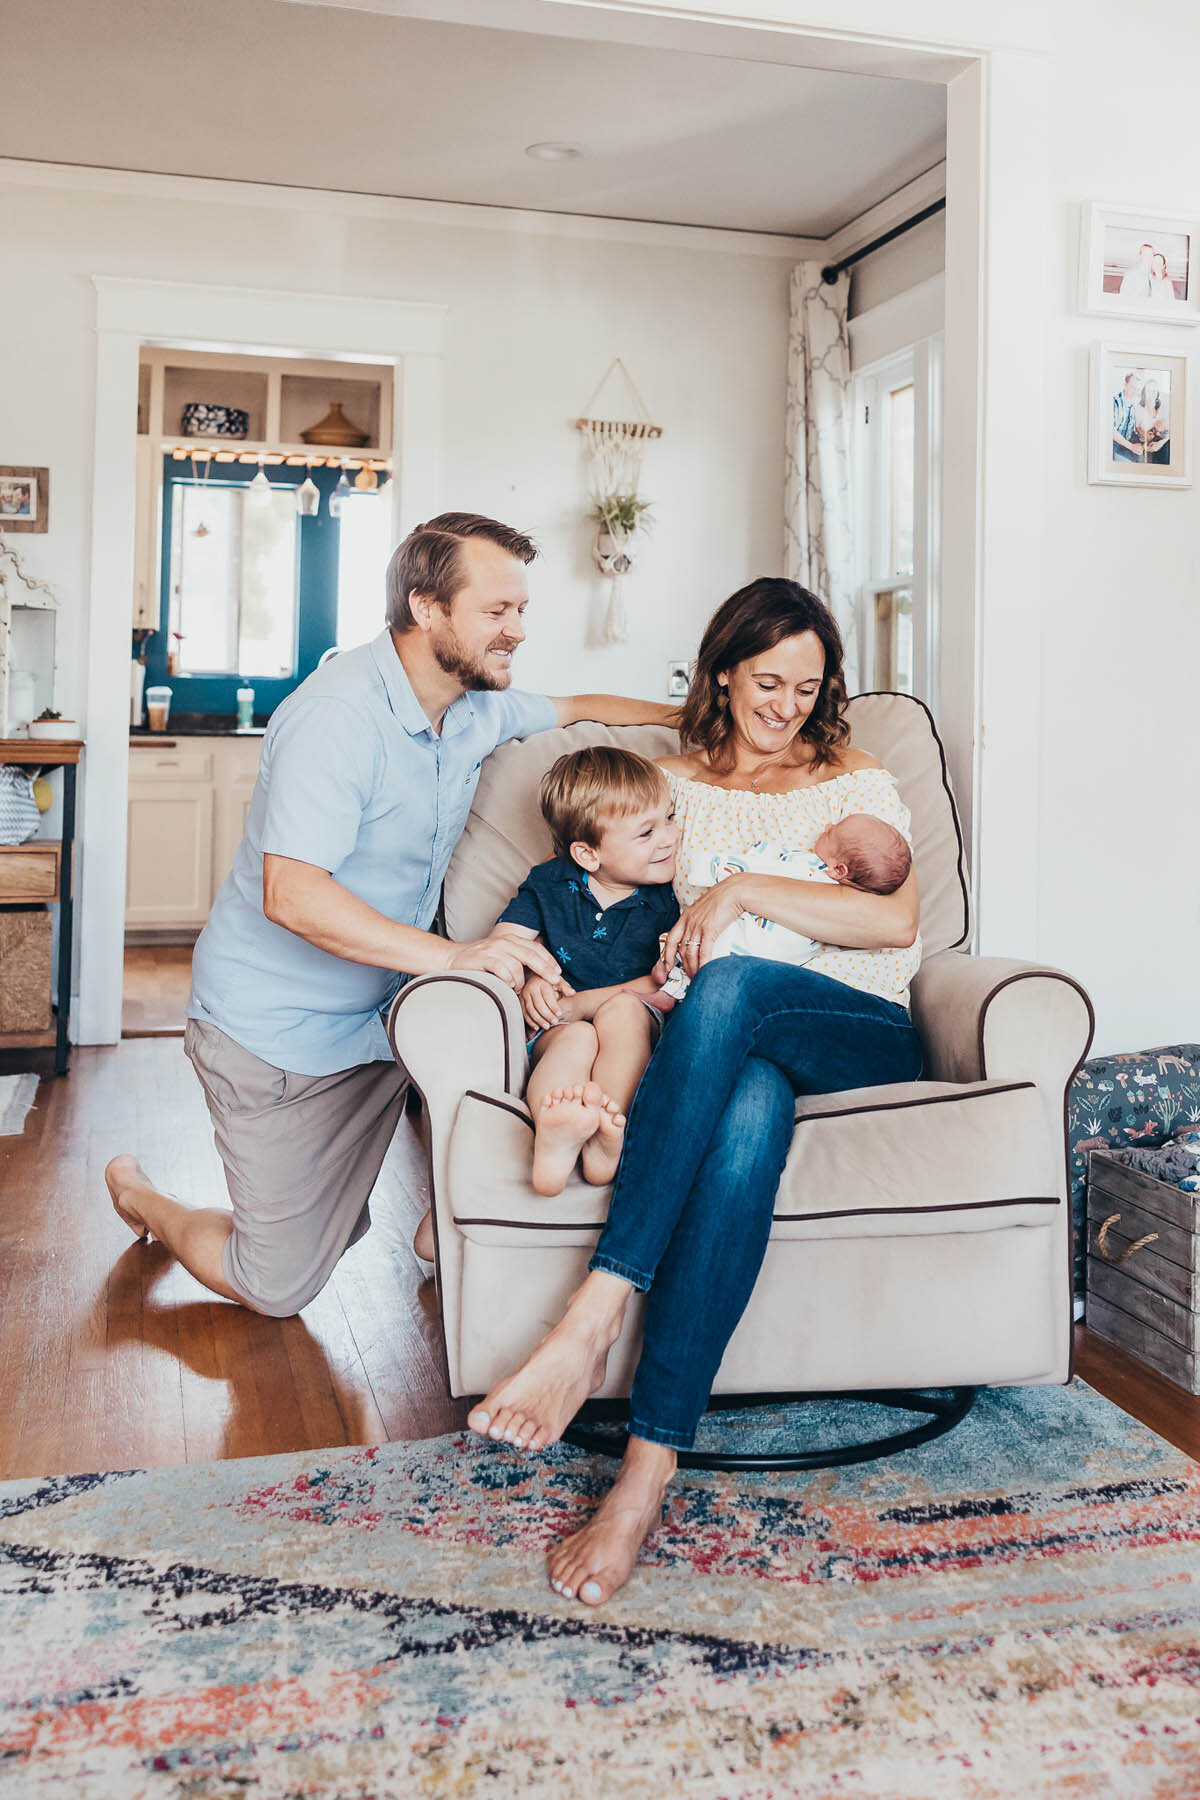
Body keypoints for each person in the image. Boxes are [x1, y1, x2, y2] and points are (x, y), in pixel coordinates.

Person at [466, 576, 923, 1608]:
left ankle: (591, 1318)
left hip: (858, 1030)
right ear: (724, 671)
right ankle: (646, 1471)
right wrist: (538, 967)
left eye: (808, 686)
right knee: (747, 1109)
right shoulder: (667, 784)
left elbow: (895, 925)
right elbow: (599, 901)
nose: (787, 705)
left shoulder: (856, 775)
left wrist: (742, 889)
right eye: (768, 681)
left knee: (735, 983)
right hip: (724, 1044)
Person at [105, 512, 676, 1317]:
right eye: (497, 612)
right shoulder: (337, 718)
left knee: (536, 1037)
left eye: (520, 610)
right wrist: (457, 956)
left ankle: (445, 1224)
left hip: (385, 1019)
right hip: (276, 1036)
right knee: (277, 1284)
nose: (517, 631)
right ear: (426, 607)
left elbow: (584, 705)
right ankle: (143, 1196)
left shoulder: (474, 706)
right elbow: (291, 895)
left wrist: (696, 717)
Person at [495, 746, 680, 1198]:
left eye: (670, 818)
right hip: (560, 1026)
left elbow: (663, 984)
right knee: (574, 1038)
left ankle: (604, 1138)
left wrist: (579, 1003)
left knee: (622, 1012)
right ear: (588, 854)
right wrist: (536, 974)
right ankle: (555, 1135)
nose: (670, 838)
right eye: (646, 832)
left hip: (635, 1022)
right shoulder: (550, 882)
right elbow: (502, 945)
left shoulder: (670, 899)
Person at [664, 814, 911, 994]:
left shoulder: (810, 871)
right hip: (769, 974)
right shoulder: (844, 901)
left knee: (711, 954)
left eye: (831, 833)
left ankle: (672, 981)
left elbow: (761, 869)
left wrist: (712, 868)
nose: (827, 825)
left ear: (838, 869)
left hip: (745, 958)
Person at [1135, 377, 1170, 464]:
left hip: (1163, 443)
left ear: (1157, 393)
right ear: (1144, 393)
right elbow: (1137, 429)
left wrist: (1160, 443)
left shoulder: (1163, 407)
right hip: (1146, 443)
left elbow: (1172, 430)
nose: (1151, 394)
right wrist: (1147, 437)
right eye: (1148, 391)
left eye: (1154, 391)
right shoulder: (1138, 409)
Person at [1112, 372, 1143, 462]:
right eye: (1132, 387)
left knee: (1143, 457)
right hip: (1113, 444)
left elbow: (1132, 428)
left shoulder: (1133, 405)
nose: (1135, 392)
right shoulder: (1114, 402)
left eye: (1137, 389)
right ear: (1125, 384)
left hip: (1127, 442)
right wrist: (1132, 447)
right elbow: (1111, 431)